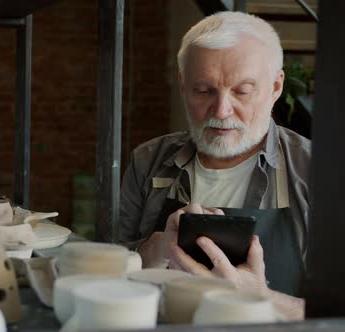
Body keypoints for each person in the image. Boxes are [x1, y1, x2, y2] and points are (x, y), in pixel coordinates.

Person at [118, 11, 309, 320]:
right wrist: (153, 252)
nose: (221, 111)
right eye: (203, 90)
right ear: (183, 86)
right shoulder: (148, 160)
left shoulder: (319, 172)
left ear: (275, 88)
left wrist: (259, 297)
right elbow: (108, 276)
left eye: (242, 91)